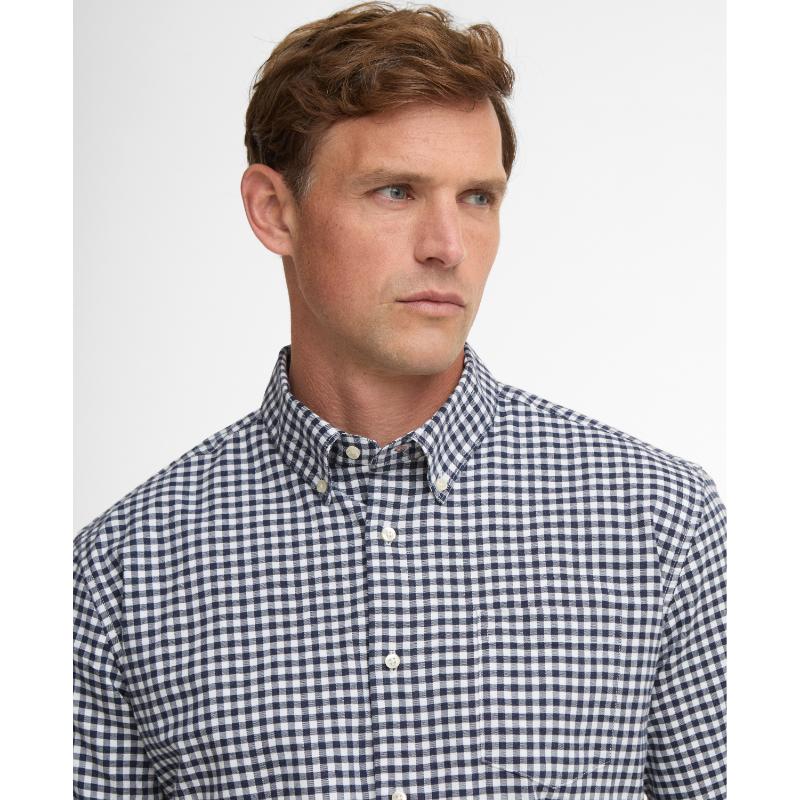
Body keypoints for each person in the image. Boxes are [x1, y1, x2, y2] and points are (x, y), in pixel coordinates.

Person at [73, 3, 726, 798]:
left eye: (477, 198)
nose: (447, 247)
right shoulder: (121, 576)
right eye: (396, 191)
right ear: (274, 211)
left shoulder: (662, 526)